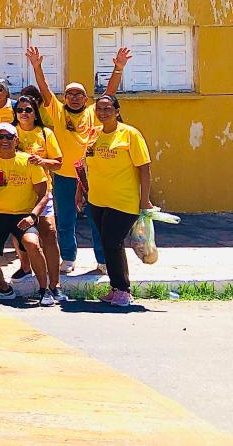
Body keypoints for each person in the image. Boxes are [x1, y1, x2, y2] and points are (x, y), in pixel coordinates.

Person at [27, 46, 129, 274]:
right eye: (70, 94)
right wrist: (37, 67)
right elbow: (44, 90)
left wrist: (118, 68)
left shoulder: (94, 112)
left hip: (91, 177)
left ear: (85, 98)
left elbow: (109, 93)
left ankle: (102, 260)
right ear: (64, 98)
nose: (74, 98)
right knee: (65, 220)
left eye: (79, 94)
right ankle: (68, 258)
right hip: (64, 176)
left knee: (97, 220)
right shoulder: (58, 112)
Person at [78, 95, 152, 307]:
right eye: (99, 109)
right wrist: (80, 191)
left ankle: (123, 290)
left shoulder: (130, 134)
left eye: (107, 108)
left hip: (123, 201)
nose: (103, 113)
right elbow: (85, 165)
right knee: (108, 244)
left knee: (112, 242)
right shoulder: (94, 134)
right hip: (97, 200)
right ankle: (116, 288)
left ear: (117, 111)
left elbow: (144, 168)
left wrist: (145, 200)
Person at [0, 123, 52, 303]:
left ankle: (45, 290)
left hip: (23, 214)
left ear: (16, 140)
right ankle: (4, 289)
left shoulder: (28, 161)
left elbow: (44, 194)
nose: (5, 140)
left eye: (9, 137)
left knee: (32, 244)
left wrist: (32, 216)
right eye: (0, 137)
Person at [12, 95, 64, 297]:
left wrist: (42, 161)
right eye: (20, 110)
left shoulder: (45, 133)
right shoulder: (9, 132)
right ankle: (26, 267)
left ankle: (55, 284)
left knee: (49, 233)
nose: (24, 113)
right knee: (21, 236)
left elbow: (58, 163)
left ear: (35, 113)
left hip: (42, 192)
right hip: (17, 193)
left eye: (28, 110)